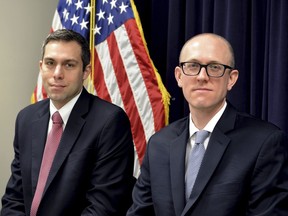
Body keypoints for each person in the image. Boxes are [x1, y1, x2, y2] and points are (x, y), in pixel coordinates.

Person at [127, 33, 288, 216]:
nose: (202, 77)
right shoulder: (159, 143)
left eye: (214, 67)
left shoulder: (264, 142)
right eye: (193, 66)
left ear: (231, 79)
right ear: (179, 76)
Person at [1, 29, 135, 216]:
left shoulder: (110, 121)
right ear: (41, 67)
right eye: (50, 63)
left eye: (69, 65)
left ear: (85, 71)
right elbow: (14, 198)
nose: (57, 74)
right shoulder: (27, 118)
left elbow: (103, 207)